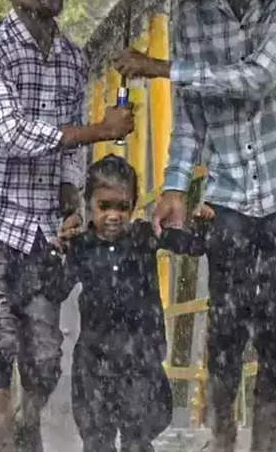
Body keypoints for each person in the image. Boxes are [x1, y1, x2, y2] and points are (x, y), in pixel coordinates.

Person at [113, 0, 276, 452]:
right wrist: (173, 187)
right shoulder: (193, 15)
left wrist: (162, 68)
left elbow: (258, 77)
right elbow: (191, 116)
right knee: (226, 329)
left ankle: (265, 443)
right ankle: (224, 438)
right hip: (229, 195)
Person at [0, 0, 134, 452]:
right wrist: (102, 128)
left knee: (46, 356)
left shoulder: (73, 59)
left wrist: (72, 196)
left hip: (38, 224)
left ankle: (27, 423)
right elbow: (15, 133)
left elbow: (73, 154)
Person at [61, 155, 205, 452]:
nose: (113, 216)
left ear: (134, 205)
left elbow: (189, 244)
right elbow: (55, 288)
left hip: (141, 357)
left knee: (137, 437)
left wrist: (199, 225)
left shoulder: (142, 235)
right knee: (96, 439)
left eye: (122, 207)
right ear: (89, 203)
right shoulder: (81, 246)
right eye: (104, 206)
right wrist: (53, 253)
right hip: (94, 360)